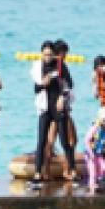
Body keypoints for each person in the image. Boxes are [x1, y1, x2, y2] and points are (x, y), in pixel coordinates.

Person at [32, 40, 75, 184]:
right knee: (41, 141)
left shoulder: (60, 65)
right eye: (45, 54)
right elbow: (36, 89)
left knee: (64, 141)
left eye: (50, 54)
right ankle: (38, 173)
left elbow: (69, 84)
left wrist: (62, 98)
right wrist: (42, 83)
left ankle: (72, 170)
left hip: (58, 107)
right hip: (45, 108)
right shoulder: (39, 67)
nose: (47, 57)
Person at [83, 107, 105, 192]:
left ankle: (98, 180)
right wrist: (90, 152)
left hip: (98, 153)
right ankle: (92, 186)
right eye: (104, 119)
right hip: (90, 153)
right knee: (92, 170)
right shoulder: (95, 128)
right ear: (99, 119)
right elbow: (86, 140)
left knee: (104, 166)